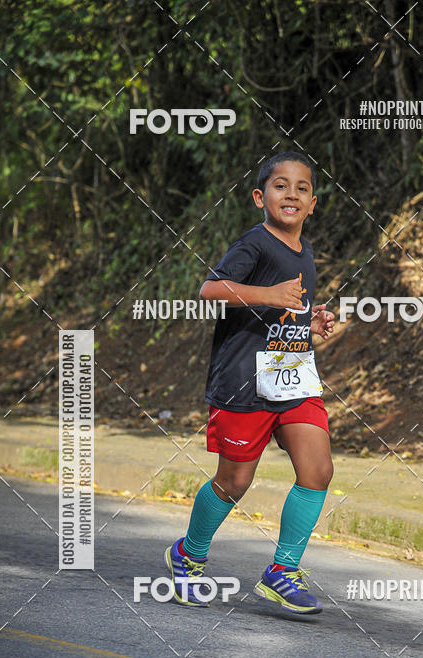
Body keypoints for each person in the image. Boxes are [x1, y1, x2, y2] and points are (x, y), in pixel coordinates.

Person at [165, 151, 334, 615]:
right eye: (281, 186)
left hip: (292, 375)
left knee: (317, 470)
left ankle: (282, 571)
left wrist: (309, 323)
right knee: (233, 481)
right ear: (261, 197)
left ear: (313, 203)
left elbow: (283, 312)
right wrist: (269, 294)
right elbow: (212, 289)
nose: (292, 194)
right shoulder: (255, 243)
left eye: (302, 188)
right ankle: (188, 555)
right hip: (243, 383)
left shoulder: (304, 252)